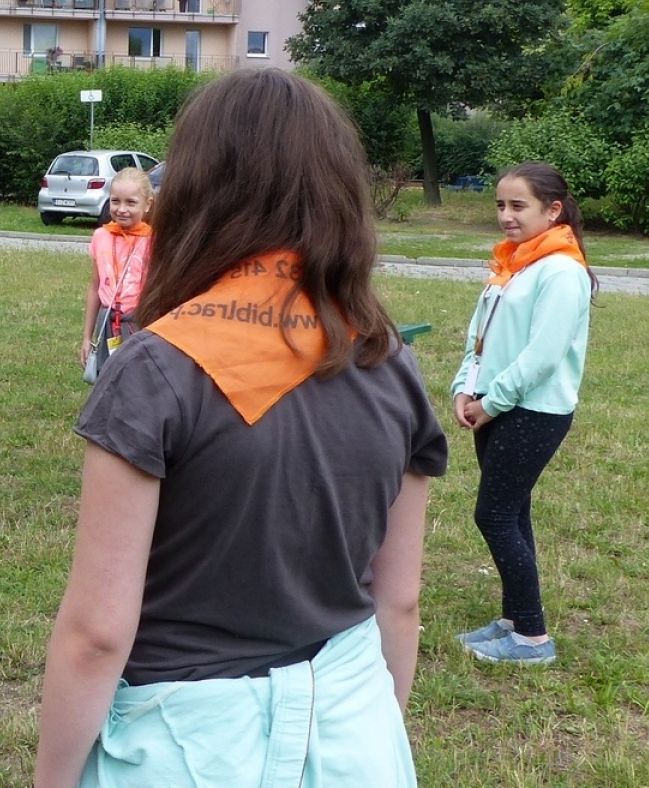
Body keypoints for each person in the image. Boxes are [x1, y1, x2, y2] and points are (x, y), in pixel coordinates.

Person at [35, 70, 448, 788]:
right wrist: (372, 731)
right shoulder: (389, 359)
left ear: (198, 190)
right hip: (353, 725)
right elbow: (400, 600)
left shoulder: (155, 369)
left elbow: (97, 633)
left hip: (185, 741)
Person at [451, 162, 595, 666]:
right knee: (513, 512)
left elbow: (542, 357)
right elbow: (480, 338)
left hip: (532, 410)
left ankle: (533, 638)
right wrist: (463, 388)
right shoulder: (512, 265)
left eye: (518, 206)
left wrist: (490, 403)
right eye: (500, 205)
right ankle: (514, 620)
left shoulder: (561, 271)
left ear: (552, 211)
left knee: (493, 515)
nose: (506, 216)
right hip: (493, 406)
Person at [78, 167, 152, 380]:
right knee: (106, 381)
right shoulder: (101, 236)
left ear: (147, 204)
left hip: (140, 322)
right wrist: (87, 337)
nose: (122, 209)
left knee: (137, 382)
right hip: (107, 323)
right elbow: (95, 287)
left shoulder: (153, 240)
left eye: (131, 202)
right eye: (115, 201)